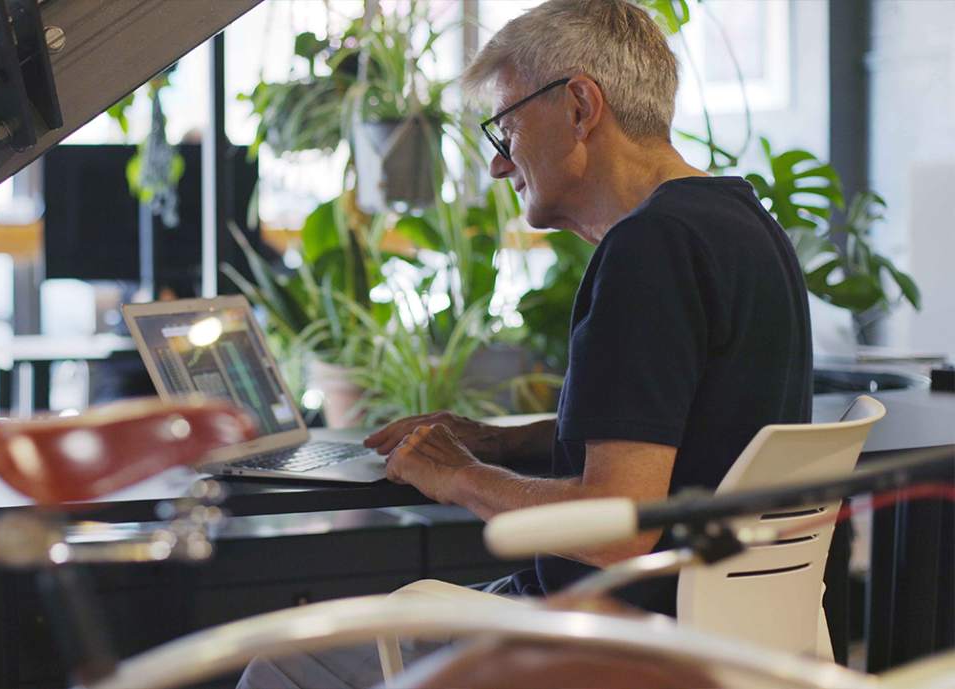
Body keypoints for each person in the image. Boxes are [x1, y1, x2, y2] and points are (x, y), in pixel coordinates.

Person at [239, 0, 811, 685]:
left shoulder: (649, 249)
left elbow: (614, 527)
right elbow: (686, 434)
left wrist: (461, 476)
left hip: (607, 644)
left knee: (285, 657)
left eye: (506, 127)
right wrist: (501, 441)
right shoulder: (741, 223)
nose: (499, 166)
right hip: (720, 632)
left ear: (579, 107)